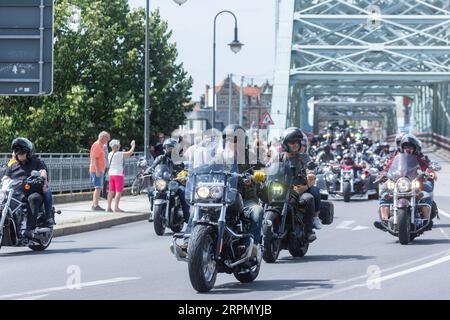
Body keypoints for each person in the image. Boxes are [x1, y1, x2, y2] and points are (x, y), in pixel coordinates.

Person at [375, 134, 436, 231]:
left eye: (410, 147)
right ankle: (384, 220)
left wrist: (430, 173)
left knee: (427, 193)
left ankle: (426, 220)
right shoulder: (396, 158)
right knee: (384, 193)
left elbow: (426, 168)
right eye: (406, 147)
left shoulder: (419, 158)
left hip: (414, 182)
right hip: (398, 182)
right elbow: (387, 169)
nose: (408, 149)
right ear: (402, 148)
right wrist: (382, 174)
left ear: (414, 148)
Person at [275, 127, 318, 241]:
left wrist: (310, 176)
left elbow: (310, 170)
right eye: (291, 142)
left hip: (299, 191)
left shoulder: (303, 157)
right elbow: (268, 168)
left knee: (309, 198)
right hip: (280, 190)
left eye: (297, 142)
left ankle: (309, 231)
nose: (295, 145)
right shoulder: (278, 157)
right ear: (284, 144)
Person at [3, 138, 49, 238]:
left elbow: (43, 171)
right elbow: (5, 177)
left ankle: (29, 229)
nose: (20, 154)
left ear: (28, 152)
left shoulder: (36, 162)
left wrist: (41, 178)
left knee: (33, 198)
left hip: (31, 191)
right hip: (16, 193)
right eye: (18, 152)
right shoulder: (12, 166)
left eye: (22, 152)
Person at [107, 139, 136, 212]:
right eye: (119, 145)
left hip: (111, 173)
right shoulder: (119, 154)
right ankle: (116, 207)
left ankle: (108, 207)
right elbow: (130, 153)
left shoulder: (109, 154)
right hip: (118, 174)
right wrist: (133, 146)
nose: (120, 146)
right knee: (118, 191)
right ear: (116, 146)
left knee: (111, 191)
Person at [89, 131, 110, 211]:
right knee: (98, 188)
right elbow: (94, 158)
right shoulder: (97, 145)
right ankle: (95, 205)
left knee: (99, 187)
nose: (108, 140)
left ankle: (96, 204)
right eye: (107, 138)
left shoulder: (101, 145)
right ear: (102, 137)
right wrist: (98, 170)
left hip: (99, 170)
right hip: (96, 170)